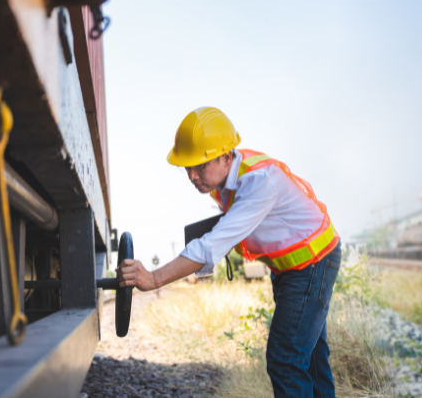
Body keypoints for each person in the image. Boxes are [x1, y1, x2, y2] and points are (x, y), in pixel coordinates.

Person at [117, 106, 341, 398]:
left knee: (286, 358)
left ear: (226, 156)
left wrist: (155, 278)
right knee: (309, 357)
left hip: (312, 264)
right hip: (292, 268)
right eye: (188, 168)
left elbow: (212, 245)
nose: (192, 176)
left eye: (200, 166)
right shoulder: (226, 178)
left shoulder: (259, 181)